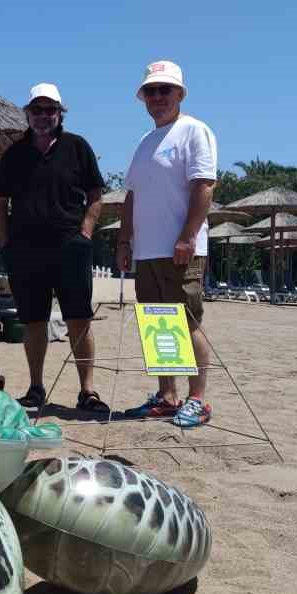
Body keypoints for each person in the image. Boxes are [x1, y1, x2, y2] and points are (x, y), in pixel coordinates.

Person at [0, 83, 107, 413]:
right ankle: (35, 387)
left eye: (50, 110)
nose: (43, 116)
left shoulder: (77, 147)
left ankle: (87, 391)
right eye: (37, 110)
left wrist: (85, 231)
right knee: (33, 321)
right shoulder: (14, 153)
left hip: (71, 246)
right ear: (27, 114)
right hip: (26, 249)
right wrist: (6, 241)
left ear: (60, 113)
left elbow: (95, 196)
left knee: (78, 319)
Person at [116, 60, 217, 429]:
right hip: (147, 250)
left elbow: (204, 185)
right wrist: (125, 240)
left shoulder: (194, 131)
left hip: (181, 248)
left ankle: (198, 399)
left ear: (180, 93)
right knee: (159, 326)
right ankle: (167, 396)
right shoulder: (145, 142)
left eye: (165, 90)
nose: (157, 97)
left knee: (188, 323)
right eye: (151, 91)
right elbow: (132, 197)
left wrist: (188, 236)